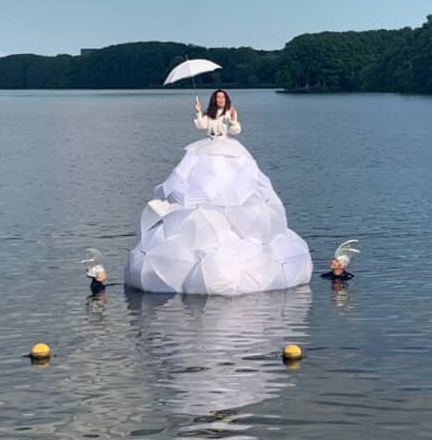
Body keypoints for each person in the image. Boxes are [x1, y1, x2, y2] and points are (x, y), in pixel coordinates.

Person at [125, 88, 313, 295]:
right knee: (200, 179)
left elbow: (236, 130)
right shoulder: (210, 114)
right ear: (214, 100)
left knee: (231, 181)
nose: (220, 99)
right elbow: (202, 126)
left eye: (223, 97)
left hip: (228, 149)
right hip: (207, 149)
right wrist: (198, 112)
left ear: (226, 99)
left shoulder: (230, 112)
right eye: (217, 97)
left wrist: (232, 120)